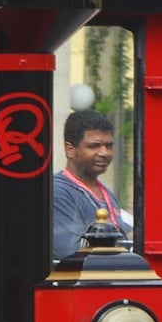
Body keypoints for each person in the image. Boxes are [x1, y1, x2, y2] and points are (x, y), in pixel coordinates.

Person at [52, 110, 123, 259]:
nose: (104, 153)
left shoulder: (107, 194)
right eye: (94, 146)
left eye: (109, 146)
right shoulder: (58, 192)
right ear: (70, 150)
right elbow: (70, 252)